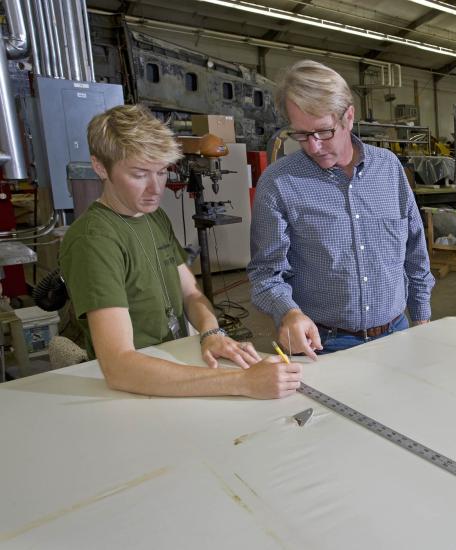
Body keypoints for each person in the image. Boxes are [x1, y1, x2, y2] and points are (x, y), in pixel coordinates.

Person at [60, 105, 301, 399]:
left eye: (161, 172)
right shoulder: (94, 240)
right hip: (134, 387)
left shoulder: (152, 216)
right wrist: (243, 382)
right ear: (100, 167)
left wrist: (212, 333)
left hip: (170, 361)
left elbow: (191, 294)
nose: (154, 188)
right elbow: (119, 366)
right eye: (139, 174)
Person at [249, 60, 435, 358]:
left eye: (323, 132)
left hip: (397, 333)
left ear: (348, 117)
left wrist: (422, 315)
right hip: (323, 345)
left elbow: (414, 249)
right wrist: (288, 312)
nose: (313, 146)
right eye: (301, 135)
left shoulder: (388, 168)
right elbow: (266, 274)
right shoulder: (279, 182)